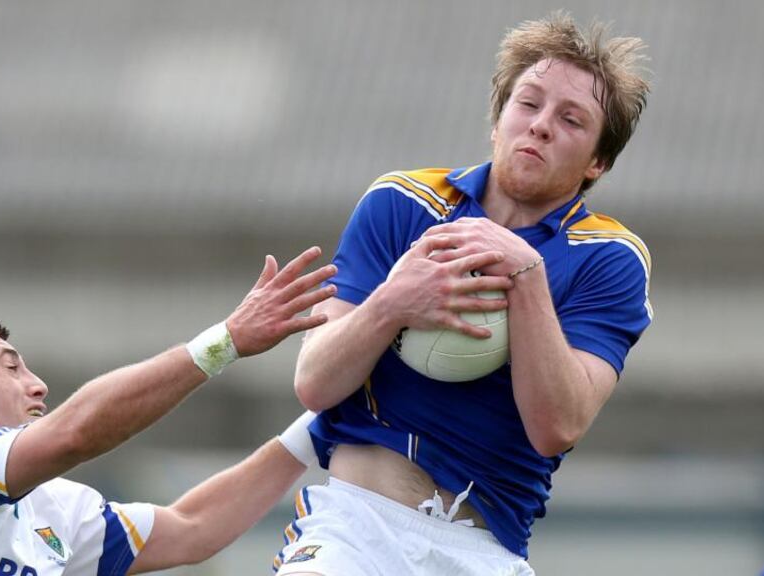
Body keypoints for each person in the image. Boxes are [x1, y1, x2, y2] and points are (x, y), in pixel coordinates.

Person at [278, 12, 652, 576]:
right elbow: (315, 383)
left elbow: (557, 427)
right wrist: (393, 302)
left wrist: (526, 276)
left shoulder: (611, 258)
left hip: (483, 550)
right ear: (498, 119)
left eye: (571, 119)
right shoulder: (403, 203)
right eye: (528, 104)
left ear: (598, 162)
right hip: (356, 528)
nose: (541, 125)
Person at [0, 246, 338, 575]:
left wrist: (321, 425)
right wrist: (224, 343)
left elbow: (193, 529)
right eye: (11, 367)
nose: (37, 384)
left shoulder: (52, 509)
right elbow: (74, 435)